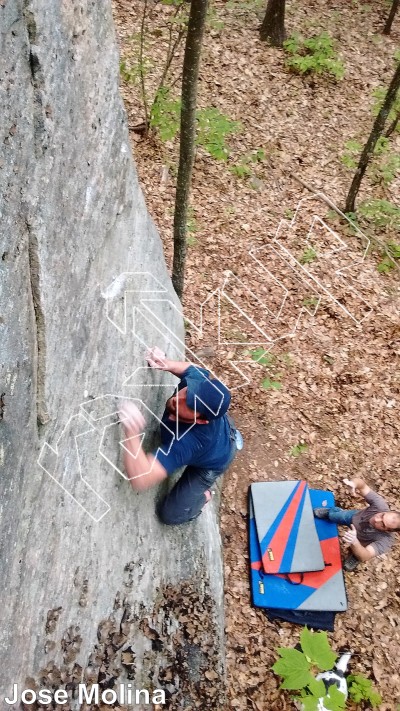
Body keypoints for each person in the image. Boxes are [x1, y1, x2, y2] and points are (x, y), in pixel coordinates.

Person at [118, 347, 241, 525]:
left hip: (214, 461)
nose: (178, 399)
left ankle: (204, 497)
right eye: (187, 392)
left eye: (190, 405)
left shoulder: (189, 441)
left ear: (199, 420)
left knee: (170, 514)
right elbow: (192, 369)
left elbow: (140, 477)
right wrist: (165, 363)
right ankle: (230, 432)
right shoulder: (197, 383)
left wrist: (131, 432)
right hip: (221, 428)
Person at [314, 478, 400, 571]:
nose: (376, 519)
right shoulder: (380, 505)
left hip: (360, 543)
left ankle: (355, 557)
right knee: (335, 516)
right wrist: (354, 484)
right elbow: (362, 485)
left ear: (387, 531)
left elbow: (366, 555)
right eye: (382, 515)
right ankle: (331, 513)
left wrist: (354, 541)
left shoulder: (386, 541)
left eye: (382, 524)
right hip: (353, 517)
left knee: (358, 553)